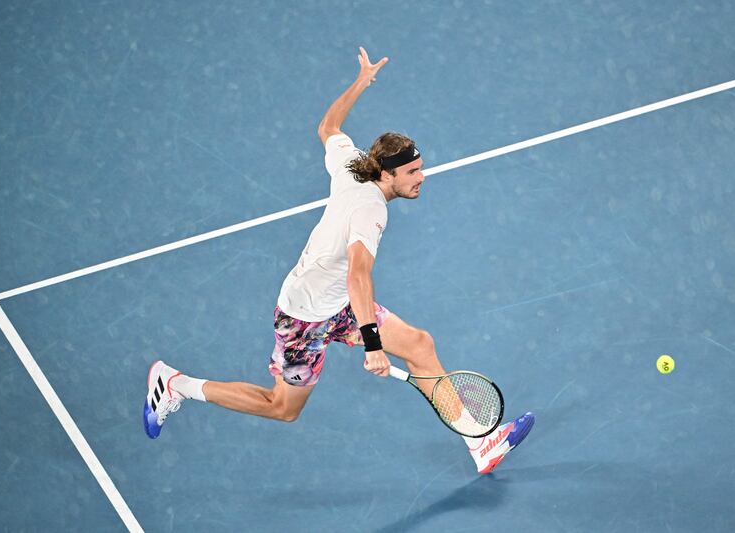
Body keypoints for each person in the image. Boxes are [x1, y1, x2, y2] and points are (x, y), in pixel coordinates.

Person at [143, 47, 534, 474]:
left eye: (421, 168)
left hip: (338, 305)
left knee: (419, 345)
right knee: (282, 408)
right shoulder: (371, 209)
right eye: (412, 173)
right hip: (304, 318)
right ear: (386, 175)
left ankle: (481, 442)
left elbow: (328, 126)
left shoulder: (353, 164)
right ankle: (176, 383)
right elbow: (359, 275)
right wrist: (371, 345)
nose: (422, 177)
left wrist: (361, 82)